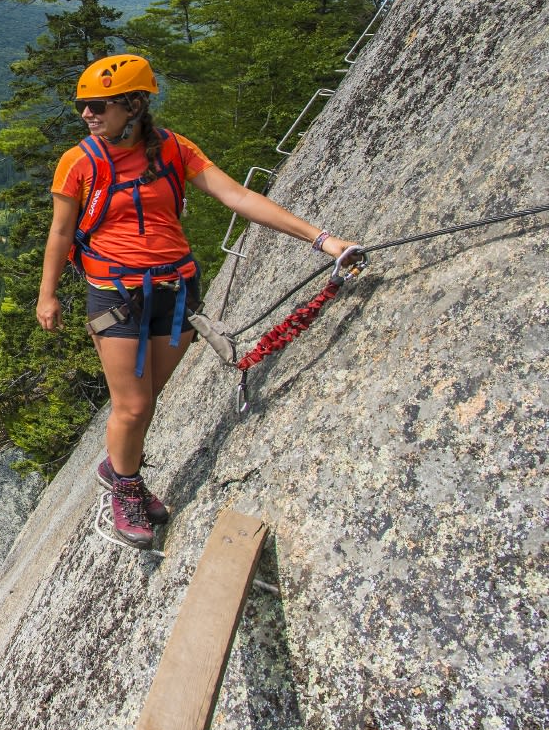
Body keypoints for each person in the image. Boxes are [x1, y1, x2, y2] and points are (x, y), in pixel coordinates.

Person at [35, 54, 356, 548]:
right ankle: (125, 487)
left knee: (145, 401)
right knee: (135, 404)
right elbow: (60, 231)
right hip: (116, 295)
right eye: (85, 106)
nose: (87, 115)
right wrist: (48, 294)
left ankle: (118, 463)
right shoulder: (79, 162)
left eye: (99, 105)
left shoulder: (172, 151)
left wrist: (323, 241)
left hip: (177, 288)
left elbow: (238, 197)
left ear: (135, 104)